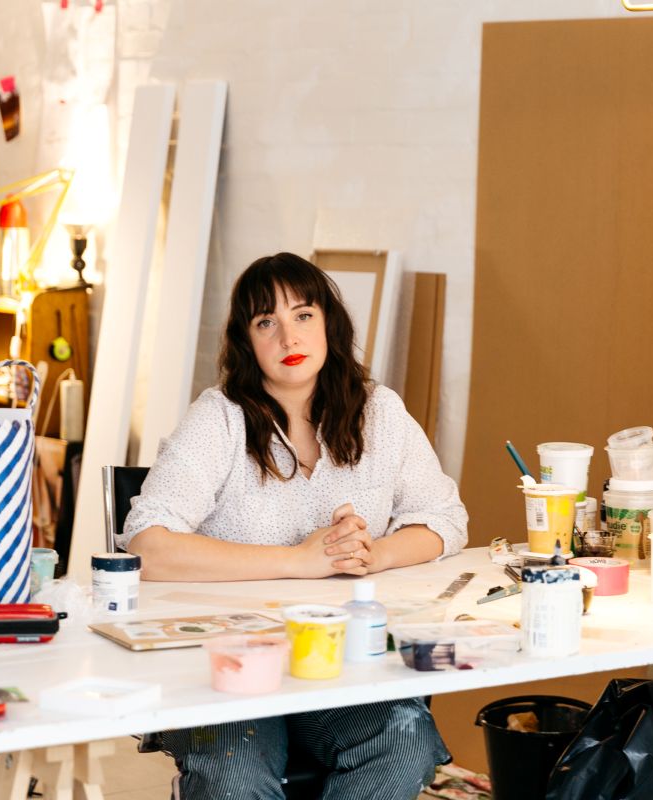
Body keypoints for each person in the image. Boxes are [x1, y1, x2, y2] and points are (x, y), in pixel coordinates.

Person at [119, 252, 467, 799]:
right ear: (246, 340)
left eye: (303, 315)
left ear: (329, 322)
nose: (288, 337)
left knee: (406, 740)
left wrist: (377, 554)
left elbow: (445, 518)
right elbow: (147, 547)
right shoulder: (220, 418)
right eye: (266, 323)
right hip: (229, 660)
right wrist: (298, 561)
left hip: (338, 663)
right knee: (234, 772)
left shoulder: (380, 412)